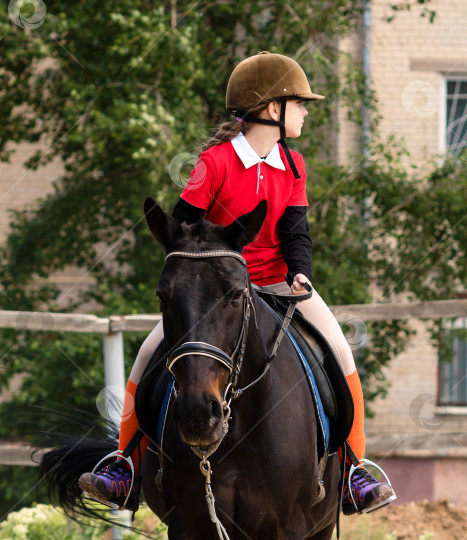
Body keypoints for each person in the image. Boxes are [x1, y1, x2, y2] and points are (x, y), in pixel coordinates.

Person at [78, 51, 396, 515]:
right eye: (300, 103)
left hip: (279, 285)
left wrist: (301, 273)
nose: (306, 111)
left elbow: (296, 232)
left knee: (342, 354)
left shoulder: (295, 165)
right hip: (217, 290)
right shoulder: (213, 163)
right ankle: (123, 465)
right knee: (147, 355)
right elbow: (184, 228)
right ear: (272, 109)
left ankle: (353, 470)